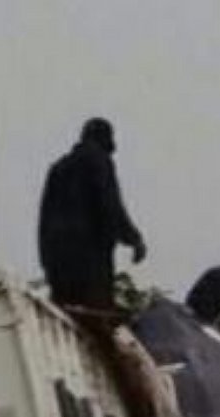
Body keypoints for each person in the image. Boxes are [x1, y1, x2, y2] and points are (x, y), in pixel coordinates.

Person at [37, 118, 147, 311]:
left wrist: (46, 262)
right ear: (106, 139)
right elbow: (111, 205)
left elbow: (43, 221)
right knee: (95, 316)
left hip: (58, 263)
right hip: (89, 263)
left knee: (67, 316)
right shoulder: (99, 160)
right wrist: (135, 240)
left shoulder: (57, 168)